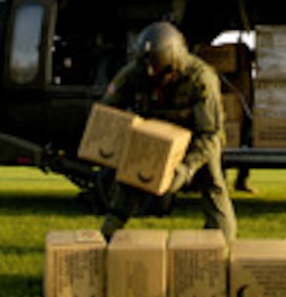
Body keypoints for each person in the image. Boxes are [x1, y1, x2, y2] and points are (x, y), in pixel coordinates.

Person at [99, 21, 237, 243]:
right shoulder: (137, 71)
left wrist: (186, 168)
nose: (157, 80)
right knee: (129, 180)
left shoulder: (201, 79)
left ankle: (222, 243)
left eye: (163, 75)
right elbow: (107, 108)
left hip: (196, 138)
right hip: (155, 134)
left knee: (212, 184)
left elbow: (210, 135)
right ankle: (107, 235)